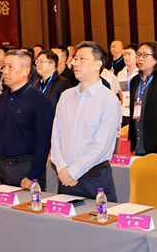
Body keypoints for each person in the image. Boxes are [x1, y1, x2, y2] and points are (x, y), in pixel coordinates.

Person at [50, 41, 122, 200]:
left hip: (94, 178)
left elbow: (100, 146)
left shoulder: (108, 99)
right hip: (65, 177)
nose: (75, 63)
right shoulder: (66, 96)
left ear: (98, 65)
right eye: (75, 59)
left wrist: (72, 172)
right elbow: (56, 136)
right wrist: (62, 168)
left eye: (82, 59)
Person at [0, 50, 54, 189]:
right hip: (1, 168)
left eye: (11, 67)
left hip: (26, 168)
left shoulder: (40, 100)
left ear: (25, 71)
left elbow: (44, 142)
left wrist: (33, 175)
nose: (5, 71)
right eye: (4, 66)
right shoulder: (3, 98)